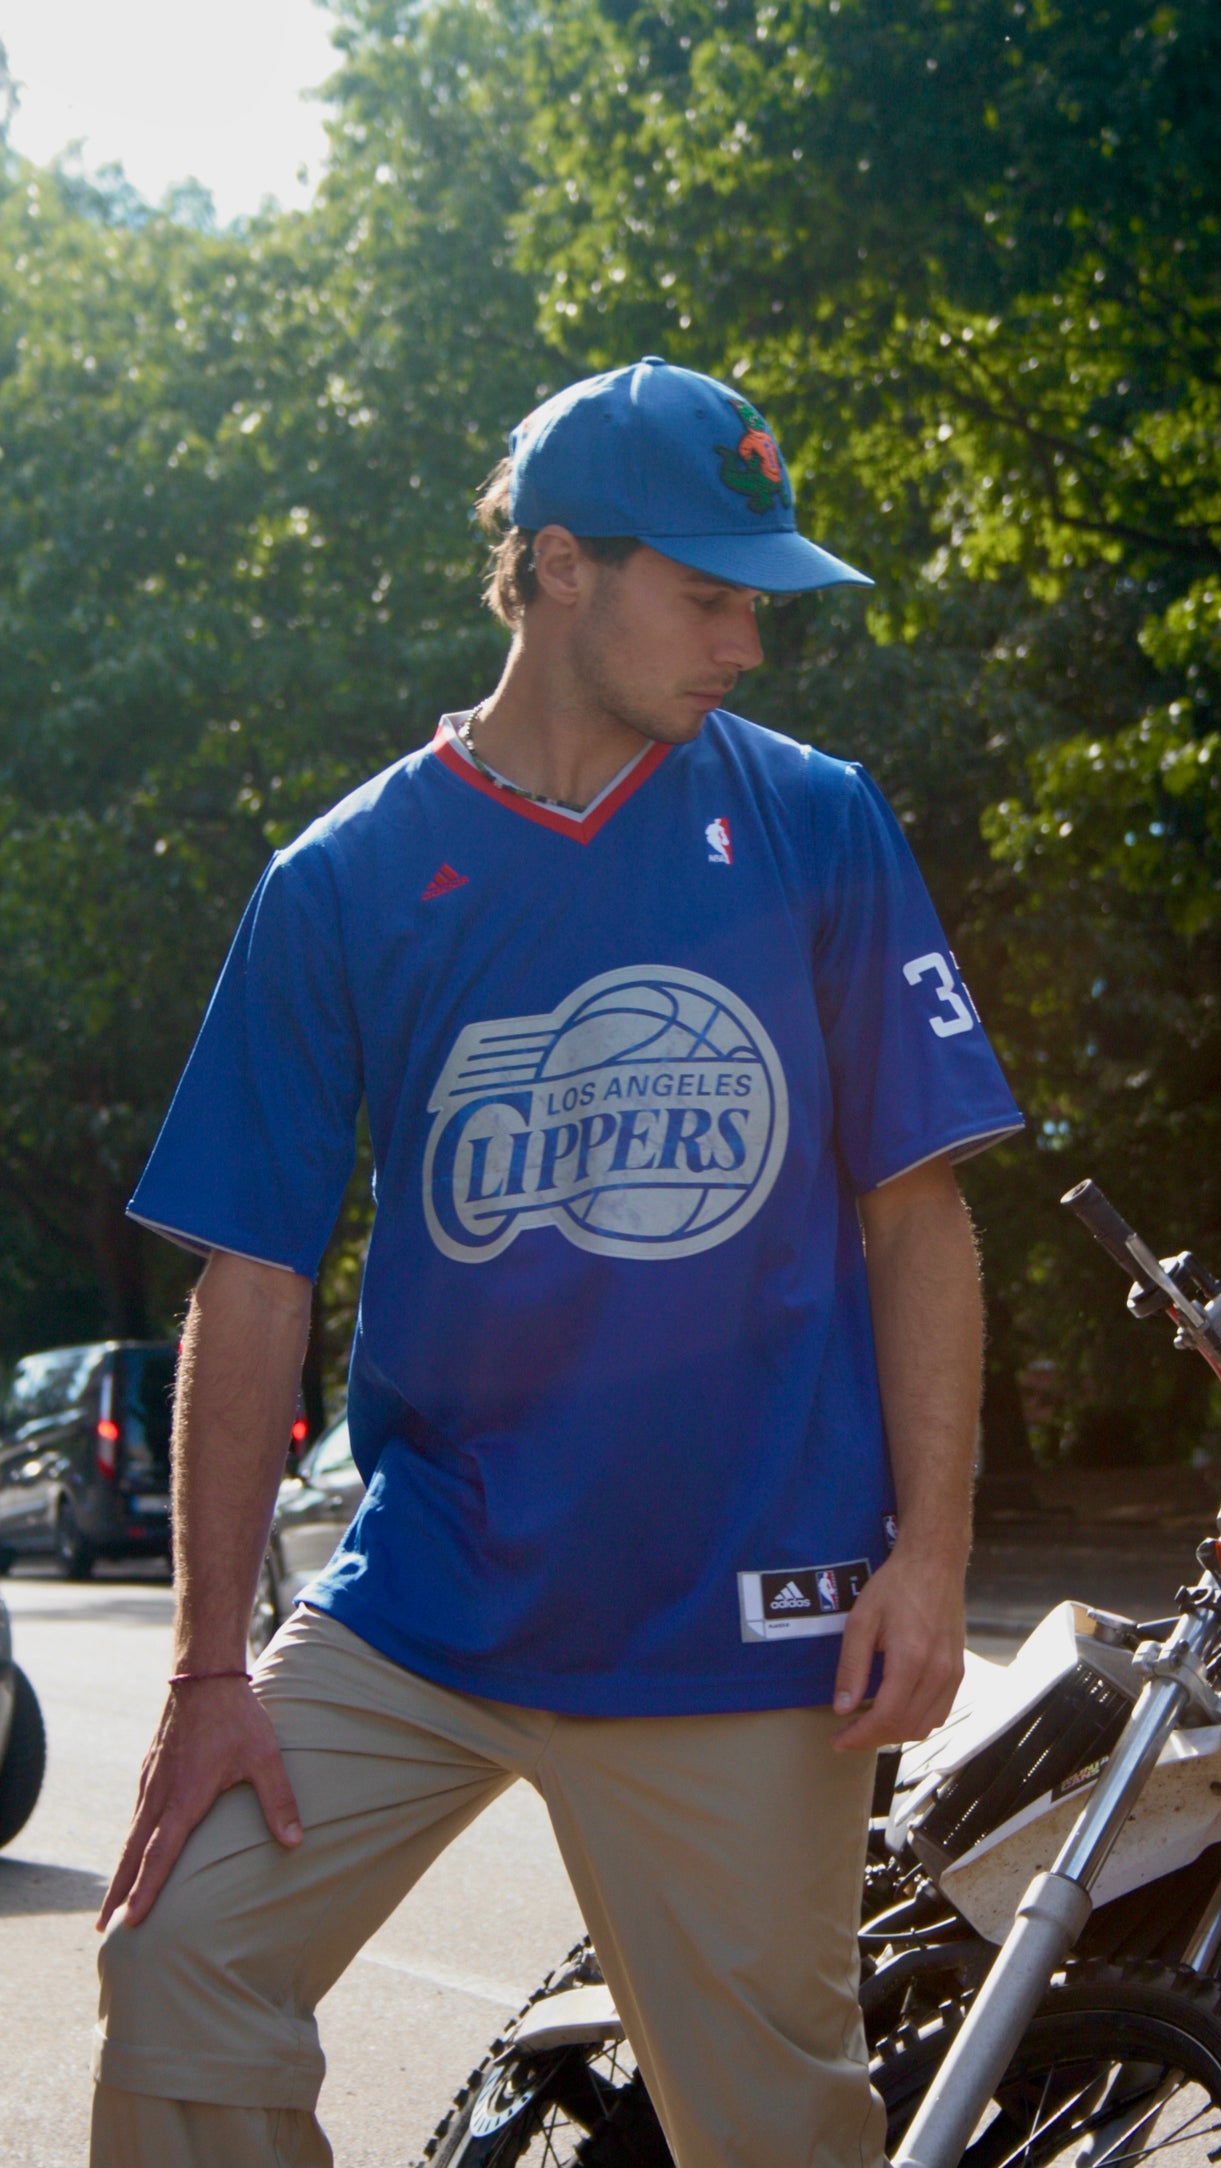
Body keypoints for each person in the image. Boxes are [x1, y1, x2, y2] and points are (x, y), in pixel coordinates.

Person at [91, 357, 1024, 2168]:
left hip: (744, 1620)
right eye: (706, 595)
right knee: (180, 1960)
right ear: (552, 569)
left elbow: (919, 1210)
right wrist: (212, 1670)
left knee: (773, 2131)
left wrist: (932, 1553)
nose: (744, 642)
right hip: (428, 1596)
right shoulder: (345, 878)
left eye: (758, 599)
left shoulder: (817, 821)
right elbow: (252, 1285)